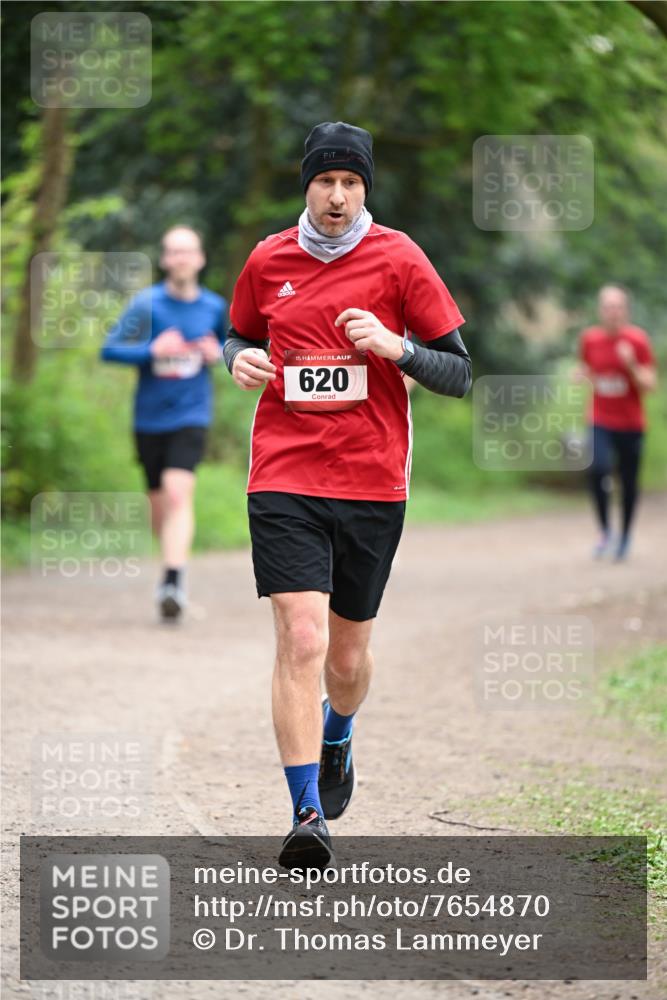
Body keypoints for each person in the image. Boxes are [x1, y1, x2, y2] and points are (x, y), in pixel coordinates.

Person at [224, 121, 472, 869]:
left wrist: (397, 349)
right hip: (284, 472)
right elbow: (234, 335)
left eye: (351, 183)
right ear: (306, 185)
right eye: (325, 182)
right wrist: (238, 361)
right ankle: (306, 815)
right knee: (300, 638)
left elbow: (459, 372)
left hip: (370, 479)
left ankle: (338, 733)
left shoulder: (399, 257)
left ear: (366, 188)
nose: (337, 196)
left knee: (346, 657)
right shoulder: (268, 259)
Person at [101, 225, 227, 620]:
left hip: (192, 414)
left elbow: (233, 346)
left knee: (178, 494)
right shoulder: (146, 305)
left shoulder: (214, 307)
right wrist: (150, 350)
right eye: (173, 252)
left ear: (201, 258)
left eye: (187, 252)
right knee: (160, 507)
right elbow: (109, 350)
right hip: (149, 419)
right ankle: (170, 573)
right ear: (164, 259)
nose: (181, 259)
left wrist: (217, 352)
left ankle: (173, 580)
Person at [576, 285, 656, 561]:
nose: (613, 312)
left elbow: (650, 385)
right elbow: (587, 369)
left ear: (626, 310)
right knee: (597, 469)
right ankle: (605, 532)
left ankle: (624, 535)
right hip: (600, 418)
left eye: (618, 307)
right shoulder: (590, 339)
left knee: (628, 482)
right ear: (601, 310)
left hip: (631, 424)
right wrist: (581, 375)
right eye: (608, 307)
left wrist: (631, 364)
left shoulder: (638, 340)